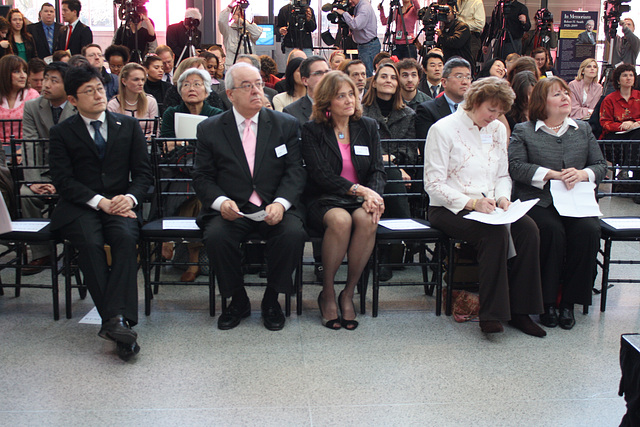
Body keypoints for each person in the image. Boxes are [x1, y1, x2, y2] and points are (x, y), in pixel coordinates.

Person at [425, 76, 545, 336]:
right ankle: (492, 313)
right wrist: (472, 202)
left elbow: (503, 174)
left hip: (491, 205)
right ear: (474, 101)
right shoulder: (442, 129)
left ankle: (522, 311)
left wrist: (503, 198)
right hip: (450, 207)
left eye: (501, 112)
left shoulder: (497, 129)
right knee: (495, 234)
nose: (495, 116)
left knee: (528, 230)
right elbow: (433, 184)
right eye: (491, 110)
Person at [193, 62, 307, 331]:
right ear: (230, 94)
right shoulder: (210, 129)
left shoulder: (285, 124)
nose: (257, 90)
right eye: (247, 86)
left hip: (275, 204)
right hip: (233, 208)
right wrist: (221, 202)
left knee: (292, 233)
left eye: (259, 83)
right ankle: (238, 299)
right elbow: (202, 176)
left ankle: (271, 299)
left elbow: (296, 171)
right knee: (217, 236)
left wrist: (281, 203)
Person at [49, 64, 152, 360]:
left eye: (98, 88)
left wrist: (130, 199)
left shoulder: (127, 126)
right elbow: (63, 180)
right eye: (88, 91)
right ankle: (119, 322)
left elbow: (143, 174)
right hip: (80, 206)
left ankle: (114, 322)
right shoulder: (62, 133)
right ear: (72, 99)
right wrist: (99, 201)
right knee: (91, 243)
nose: (96, 95)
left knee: (124, 238)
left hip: (121, 203)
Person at [509, 76, 607, 329]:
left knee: (588, 231)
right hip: (540, 201)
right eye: (557, 94)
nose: (565, 97)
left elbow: (600, 166)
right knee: (551, 231)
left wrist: (583, 174)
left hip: (576, 201)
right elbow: (516, 167)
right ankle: (547, 302)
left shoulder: (582, 129)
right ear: (542, 102)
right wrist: (549, 174)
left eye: (566, 93)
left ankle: (570, 303)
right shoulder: (524, 130)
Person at [301, 70, 385, 329]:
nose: (350, 100)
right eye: (341, 96)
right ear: (327, 101)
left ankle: (347, 292)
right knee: (340, 221)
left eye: (352, 94)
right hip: (324, 198)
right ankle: (327, 292)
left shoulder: (367, 126)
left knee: (368, 219)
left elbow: (378, 170)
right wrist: (361, 191)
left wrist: (373, 195)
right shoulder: (312, 129)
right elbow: (320, 175)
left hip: (360, 198)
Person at [160, 68, 222, 282]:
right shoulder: (171, 113)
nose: (191, 88)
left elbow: (217, 149)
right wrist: (193, 147)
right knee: (189, 190)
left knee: (197, 192)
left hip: (207, 171)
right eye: (186, 84)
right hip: (178, 170)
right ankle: (191, 256)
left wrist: (186, 145)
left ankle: (185, 252)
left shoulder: (215, 113)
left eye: (197, 84)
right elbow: (167, 147)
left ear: (206, 90)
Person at [20, 61, 76, 274]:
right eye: (45, 78)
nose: (46, 84)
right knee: (25, 194)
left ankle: (75, 252)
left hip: (71, 173)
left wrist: (61, 181)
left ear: (67, 85)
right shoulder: (33, 106)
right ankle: (41, 253)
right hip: (42, 170)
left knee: (75, 196)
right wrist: (34, 181)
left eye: (54, 80)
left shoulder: (77, 105)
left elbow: (79, 152)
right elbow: (30, 145)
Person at [416, 57, 471, 139]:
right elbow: (427, 145)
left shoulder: (476, 109)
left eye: (468, 77)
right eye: (459, 77)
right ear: (444, 82)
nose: (465, 82)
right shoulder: (428, 110)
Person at [107, 63, 159, 137]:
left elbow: (155, 131)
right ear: (124, 81)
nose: (141, 83)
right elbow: (112, 133)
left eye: (142, 79)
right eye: (136, 79)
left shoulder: (150, 101)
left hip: (147, 145)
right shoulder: (113, 105)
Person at [334, 0, 380, 77]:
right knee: (363, 72)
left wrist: (344, 13)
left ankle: (366, 89)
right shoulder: (358, 6)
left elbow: (356, 25)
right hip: (365, 45)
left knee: (366, 74)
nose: (350, 1)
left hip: (368, 46)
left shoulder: (364, 7)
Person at [0, 55, 40, 142]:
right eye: (17, 71)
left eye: (25, 71)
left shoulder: (32, 95)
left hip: (25, 148)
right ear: (5, 74)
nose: (23, 76)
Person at [218, 2, 262, 69]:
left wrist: (241, 21)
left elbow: (257, 33)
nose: (239, 12)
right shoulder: (228, 30)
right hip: (233, 67)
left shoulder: (249, 30)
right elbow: (221, 20)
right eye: (237, 10)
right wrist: (231, 5)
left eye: (241, 11)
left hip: (249, 67)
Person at [436, 1, 473, 68]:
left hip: (462, 66)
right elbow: (438, 51)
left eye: (448, 12)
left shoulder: (462, 27)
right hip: (448, 67)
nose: (446, 14)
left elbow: (456, 42)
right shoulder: (443, 30)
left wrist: (441, 36)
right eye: (443, 13)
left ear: (454, 14)